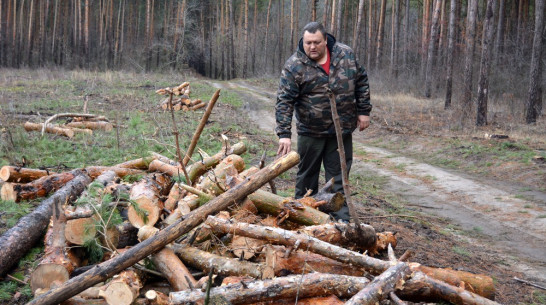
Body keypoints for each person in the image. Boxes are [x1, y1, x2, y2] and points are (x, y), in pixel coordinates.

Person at [275, 21, 372, 214]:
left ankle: (340, 223)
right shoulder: (295, 65)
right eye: (308, 42)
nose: (312, 47)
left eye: (316, 42)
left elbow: (361, 81)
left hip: (341, 131)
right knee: (307, 178)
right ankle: (302, 217)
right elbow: (284, 100)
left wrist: (363, 111)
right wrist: (284, 133)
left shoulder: (345, 54)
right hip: (310, 132)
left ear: (325, 40)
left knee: (339, 178)